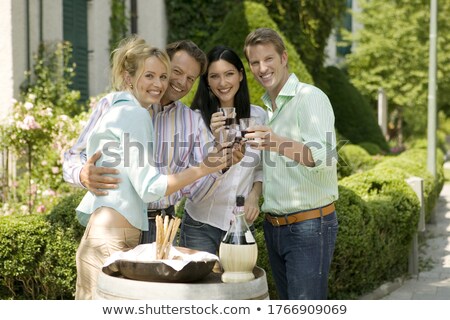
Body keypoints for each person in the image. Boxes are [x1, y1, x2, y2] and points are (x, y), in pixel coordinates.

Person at [74, 35, 231, 300]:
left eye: (162, 76)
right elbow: (150, 187)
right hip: (114, 235)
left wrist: (217, 166)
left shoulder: (124, 108)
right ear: (128, 77)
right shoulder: (133, 113)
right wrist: (204, 168)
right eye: (151, 76)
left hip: (129, 228)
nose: (161, 84)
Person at [243, 28, 339, 300]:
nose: (262, 68)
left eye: (269, 59)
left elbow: (324, 157)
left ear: (284, 58)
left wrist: (274, 142)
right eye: (255, 62)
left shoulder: (310, 98)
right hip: (275, 228)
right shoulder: (267, 110)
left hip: (309, 227)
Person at [178, 45, 268, 255]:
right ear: (207, 82)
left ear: (241, 76)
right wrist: (217, 145)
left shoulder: (258, 117)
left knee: (239, 285)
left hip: (241, 224)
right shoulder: (196, 119)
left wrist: (254, 195)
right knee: (200, 287)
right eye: (215, 76)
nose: (223, 83)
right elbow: (190, 177)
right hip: (200, 224)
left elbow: (261, 167)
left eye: (229, 74)